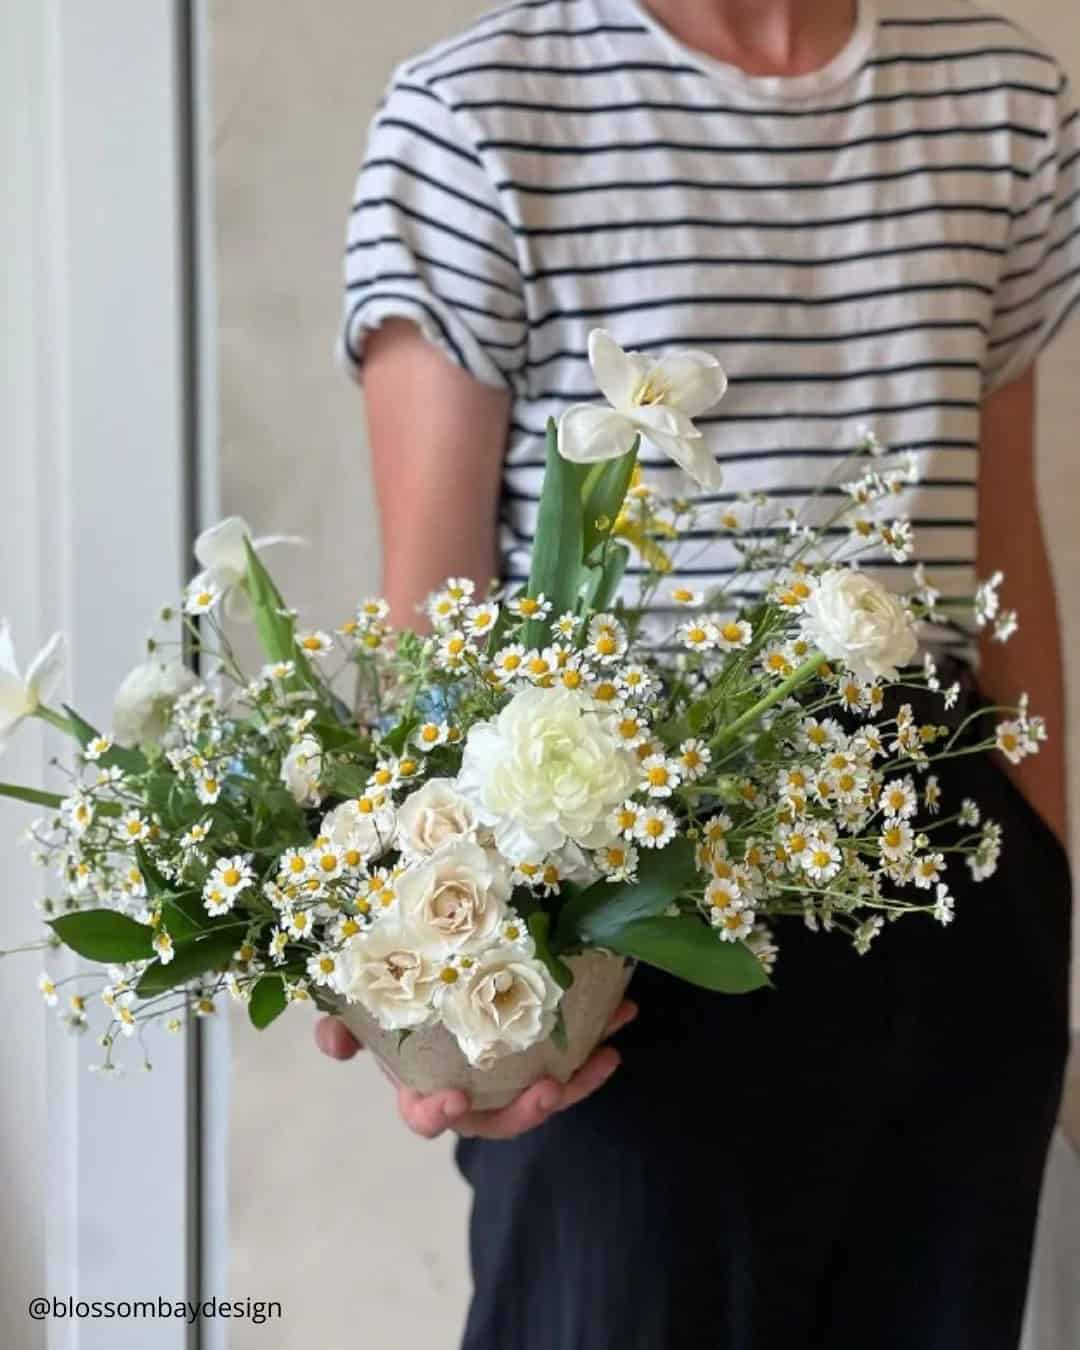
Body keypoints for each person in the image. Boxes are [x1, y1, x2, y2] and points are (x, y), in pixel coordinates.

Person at [318, 1, 1079, 1345]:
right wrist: (436, 997)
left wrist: (1046, 901)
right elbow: (434, 629)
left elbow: (994, 535)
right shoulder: (478, 112)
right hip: (632, 912)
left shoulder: (1004, 95)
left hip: (955, 901)